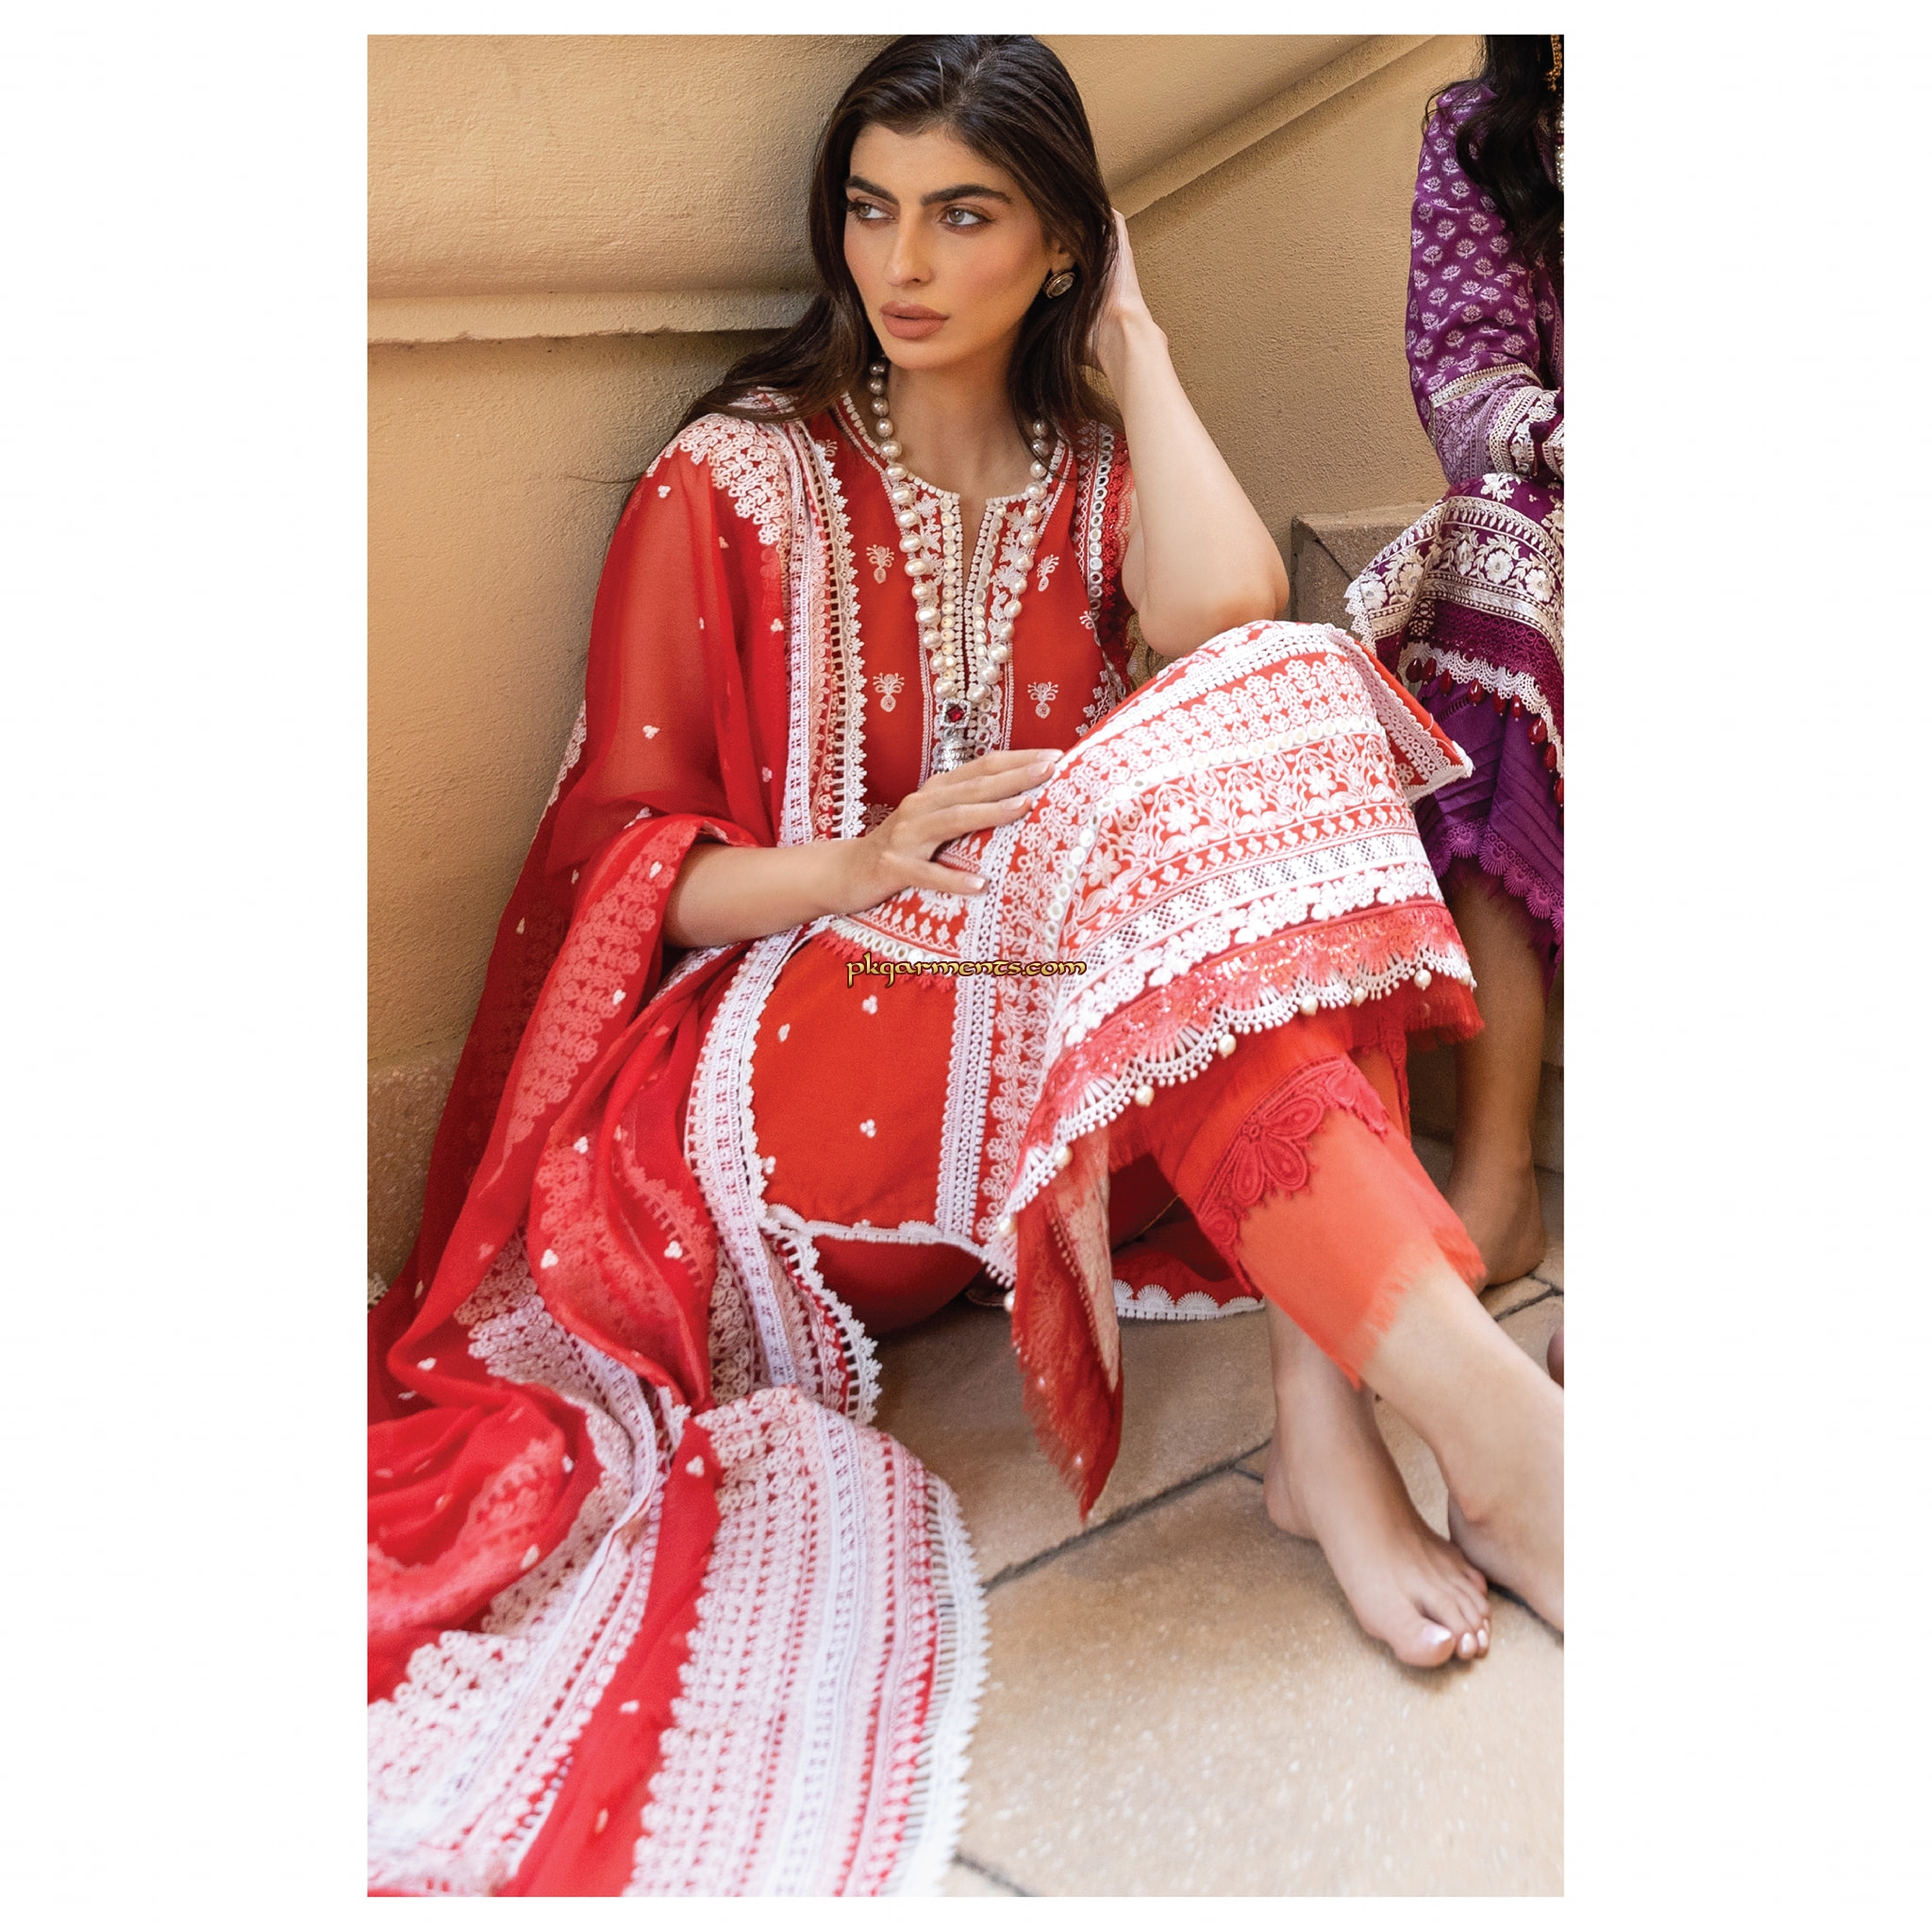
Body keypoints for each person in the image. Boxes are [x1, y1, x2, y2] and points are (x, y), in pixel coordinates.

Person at [368, 36, 1562, 1897]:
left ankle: (1330, 1424)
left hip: (1032, 1060)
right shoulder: (732, 478)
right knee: (1181, 841)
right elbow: (622, 871)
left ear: (1062, 246)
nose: (902, 264)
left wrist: (1138, 349)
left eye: (964, 215)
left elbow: (1231, 615)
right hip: (769, 1092)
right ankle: (1496, 1447)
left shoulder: (1096, 473)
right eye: (871, 211)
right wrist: (861, 866)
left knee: (1287, 702)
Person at [1346, 35, 1564, 1327]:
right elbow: (1468, 385)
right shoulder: (1487, 129)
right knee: (1493, 539)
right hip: (1568, 512)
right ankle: (1497, 1162)